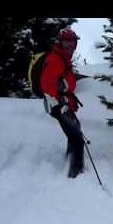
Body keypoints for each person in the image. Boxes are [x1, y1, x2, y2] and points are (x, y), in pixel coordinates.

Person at [40, 28, 84, 178]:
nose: (70, 48)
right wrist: (60, 104)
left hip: (63, 103)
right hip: (57, 106)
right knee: (78, 138)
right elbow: (46, 84)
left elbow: (64, 83)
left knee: (75, 128)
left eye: (73, 44)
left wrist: (68, 101)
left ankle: (70, 157)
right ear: (60, 43)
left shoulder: (64, 59)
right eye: (67, 44)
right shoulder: (55, 59)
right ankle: (76, 175)